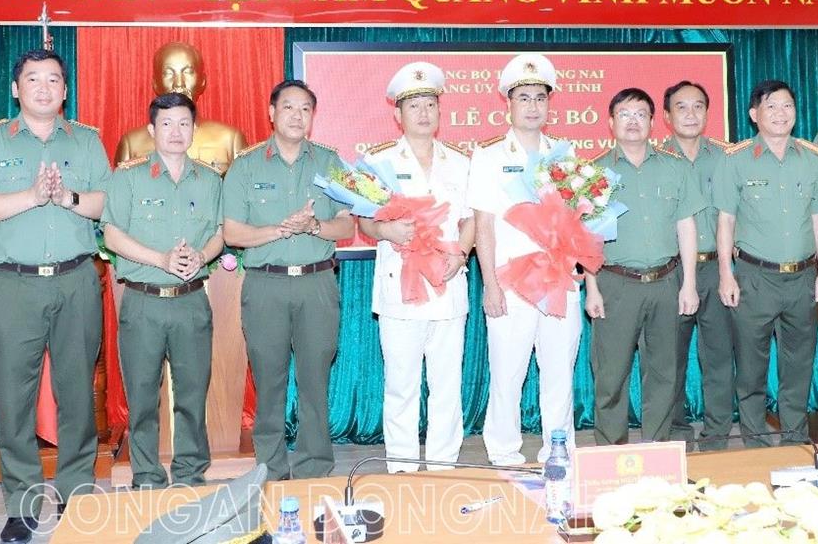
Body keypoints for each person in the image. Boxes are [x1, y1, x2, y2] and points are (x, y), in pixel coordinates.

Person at [0, 49, 110, 543]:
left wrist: (65, 198)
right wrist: (33, 197)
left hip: (75, 280)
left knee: (77, 395)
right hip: (14, 285)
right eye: (33, 79)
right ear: (16, 88)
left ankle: (76, 494)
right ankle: (21, 505)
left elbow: (106, 203)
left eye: (54, 79)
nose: (44, 88)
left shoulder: (86, 141)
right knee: (13, 400)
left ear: (65, 90)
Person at [222, 80, 354, 480]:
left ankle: (315, 468)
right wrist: (279, 230)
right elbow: (232, 233)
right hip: (266, 286)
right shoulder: (246, 165)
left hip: (317, 284)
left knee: (315, 381)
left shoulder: (330, 162)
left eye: (305, 109)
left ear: (313, 116)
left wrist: (314, 226)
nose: (297, 116)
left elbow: (347, 225)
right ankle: (271, 470)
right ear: (271, 112)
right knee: (269, 381)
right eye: (289, 107)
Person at [101, 93, 224, 489]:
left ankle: (190, 473)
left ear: (194, 129)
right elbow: (112, 235)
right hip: (143, 303)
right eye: (167, 124)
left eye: (184, 123)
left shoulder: (210, 180)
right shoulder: (127, 177)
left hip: (191, 302)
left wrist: (202, 255)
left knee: (192, 396)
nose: (175, 132)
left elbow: (220, 233)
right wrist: (161, 260)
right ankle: (147, 475)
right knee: (142, 398)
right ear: (151, 130)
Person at [359, 62, 474, 473]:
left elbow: (470, 219)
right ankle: (403, 466)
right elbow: (364, 220)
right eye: (414, 106)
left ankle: (443, 465)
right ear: (398, 114)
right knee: (401, 384)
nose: (424, 113)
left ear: (440, 110)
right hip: (400, 289)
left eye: (430, 104)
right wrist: (386, 230)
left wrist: (461, 253)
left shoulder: (460, 161)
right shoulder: (379, 161)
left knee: (446, 384)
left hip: (447, 284)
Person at [467, 53, 579, 465]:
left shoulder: (564, 155)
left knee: (559, 371)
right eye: (524, 98)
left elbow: (577, 218)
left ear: (550, 104)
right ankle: (503, 451)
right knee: (507, 372)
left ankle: (558, 449)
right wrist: (491, 286)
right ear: (508, 104)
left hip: (558, 278)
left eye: (540, 98)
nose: (533, 106)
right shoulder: (489, 155)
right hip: (511, 282)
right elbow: (483, 225)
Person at [714, 80, 818, 447]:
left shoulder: (814, 157)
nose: (781, 114)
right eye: (771, 106)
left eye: (787, 106)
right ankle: (754, 440)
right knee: (751, 366)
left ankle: (795, 439)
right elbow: (726, 221)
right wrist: (726, 275)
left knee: (798, 365)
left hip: (802, 278)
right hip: (754, 277)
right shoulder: (734, 159)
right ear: (754, 114)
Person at [585, 87, 704, 445]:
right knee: (610, 376)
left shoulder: (675, 168)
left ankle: (657, 450)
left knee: (664, 374)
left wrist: (689, 284)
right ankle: (611, 451)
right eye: (624, 114)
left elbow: (687, 227)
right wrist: (591, 289)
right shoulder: (594, 172)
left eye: (640, 114)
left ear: (653, 121)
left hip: (666, 282)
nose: (633, 121)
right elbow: (587, 236)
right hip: (615, 285)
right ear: (611, 122)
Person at [660, 81, 736, 450]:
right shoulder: (656, 159)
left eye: (698, 106)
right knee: (669, 358)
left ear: (707, 112)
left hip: (717, 269)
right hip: (671, 272)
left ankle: (717, 433)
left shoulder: (726, 157)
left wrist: (729, 271)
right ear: (666, 116)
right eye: (681, 107)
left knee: (719, 356)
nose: (690, 114)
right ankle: (676, 430)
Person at [115, 42, 246, 173]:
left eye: (188, 72)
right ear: (155, 84)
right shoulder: (132, 144)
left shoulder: (230, 140)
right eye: (168, 73)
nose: (178, 83)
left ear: (202, 81)